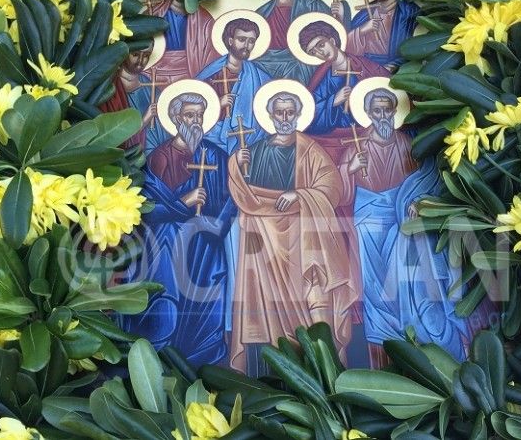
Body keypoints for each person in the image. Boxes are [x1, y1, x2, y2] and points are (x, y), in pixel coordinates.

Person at [338, 88, 473, 365]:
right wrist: (348, 170)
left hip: (402, 224)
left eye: (387, 109)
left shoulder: (409, 146)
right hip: (367, 230)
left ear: (395, 112)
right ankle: (388, 349)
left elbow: (426, 182)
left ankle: (426, 341)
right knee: (377, 294)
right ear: (368, 113)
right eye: (377, 110)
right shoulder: (355, 147)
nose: (382, 116)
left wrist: (420, 202)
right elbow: (338, 195)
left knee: (412, 279)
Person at [228, 90, 357, 374]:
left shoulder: (310, 150)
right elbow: (246, 196)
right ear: (270, 116)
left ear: (298, 114)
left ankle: (326, 364)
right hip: (267, 243)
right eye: (279, 112)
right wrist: (235, 164)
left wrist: (300, 195)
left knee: (315, 292)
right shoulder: (255, 152)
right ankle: (282, 368)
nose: (285, 118)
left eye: (290, 112)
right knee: (271, 306)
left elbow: (332, 187)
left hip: (305, 236)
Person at [120, 92, 236, 366]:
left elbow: (231, 198)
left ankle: (203, 356)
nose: (195, 121)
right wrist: (184, 203)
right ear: (175, 118)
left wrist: (214, 227)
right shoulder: (159, 158)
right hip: (168, 242)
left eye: (199, 115)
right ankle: (159, 347)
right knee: (168, 246)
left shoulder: (216, 155)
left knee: (212, 281)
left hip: (207, 242)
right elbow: (147, 208)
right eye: (189, 115)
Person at [300, 20, 389, 135]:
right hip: (338, 133)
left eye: (321, 45)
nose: (319, 52)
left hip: (369, 128)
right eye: (313, 52)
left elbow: (387, 86)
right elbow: (311, 110)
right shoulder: (322, 76)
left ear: (332, 40)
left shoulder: (364, 64)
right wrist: (333, 101)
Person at [197, 17, 271, 153]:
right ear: (230, 41)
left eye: (251, 41)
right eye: (242, 39)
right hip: (211, 140)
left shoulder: (260, 78)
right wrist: (217, 105)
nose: (247, 45)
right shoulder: (210, 74)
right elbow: (191, 107)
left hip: (249, 139)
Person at [255, 0, 349, 82]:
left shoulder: (312, 3)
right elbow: (256, 50)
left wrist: (340, 17)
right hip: (273, 61)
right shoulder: (263, 13)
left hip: (309, 61)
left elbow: (334, 33)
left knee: (300, 66)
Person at [345, 0, 419, 72]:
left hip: (395, 69)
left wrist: (394, 65)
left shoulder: (409, 11)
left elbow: (419, 46)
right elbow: (345, 46)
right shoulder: (365, 12)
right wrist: (362, 30)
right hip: (366, 68)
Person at [145, 0, 220, 81]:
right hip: (157, 73)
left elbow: (212, 53)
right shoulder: (155, 13)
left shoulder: (204, 18)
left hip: (193, 71)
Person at [100, 48, 168, 152]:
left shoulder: (149, 85)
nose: (140, 61)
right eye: (135, 54)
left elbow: (160, 132)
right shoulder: (110, 86)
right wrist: (144, 121)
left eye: (146, 55)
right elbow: (112, 134)